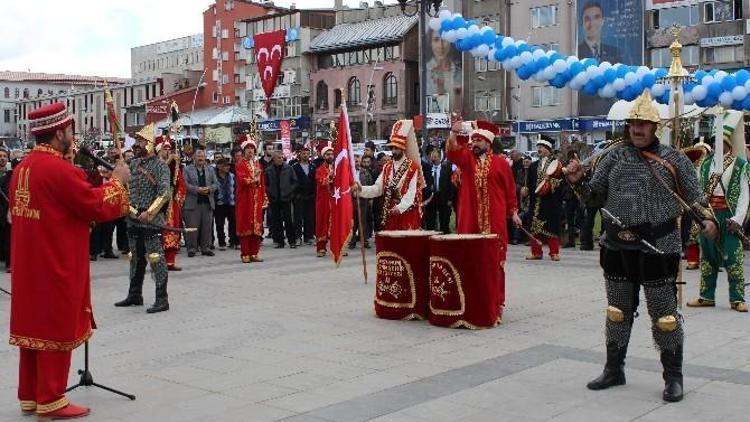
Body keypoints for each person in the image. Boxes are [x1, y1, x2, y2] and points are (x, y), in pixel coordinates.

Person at [565, 91, 718, 402]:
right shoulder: (612, 156)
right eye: (633, 123)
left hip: (658, 245)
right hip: (617, 246)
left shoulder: (673, 159)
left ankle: (673, 376)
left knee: (664, 315)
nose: (637, 129)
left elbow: (695, 198)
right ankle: (614, 368)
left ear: (654, 127)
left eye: (643, 124)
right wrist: (579, 181)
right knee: (617, 311)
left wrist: (707, 220)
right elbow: (593, 198)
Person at [10, 102, 130, 419]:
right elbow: (94, 205)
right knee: (54, 326)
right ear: (60, 131)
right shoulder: (58, 170)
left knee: (33, 328)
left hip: (29, 265)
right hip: (54, 262)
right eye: (70, 130)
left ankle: (31, 395)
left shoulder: (23, 167)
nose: (72, 137)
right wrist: (117, 181)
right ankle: (51, 398)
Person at [688, 112, 749, 312]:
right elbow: (697, 190)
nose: (717, 145)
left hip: (729, 214)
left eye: (721, 140)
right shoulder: (705, 164)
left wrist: (738, 219)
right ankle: (706, 295)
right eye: (716, 140)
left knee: (733, 257)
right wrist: (701, 214)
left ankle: (737, 298)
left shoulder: (741, 165)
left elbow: (744, 195)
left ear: (729, 142)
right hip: (709, 213)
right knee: (708, 256)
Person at [446, 118, 521, 266]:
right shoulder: (467, 159)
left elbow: (510, 190)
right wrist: (454, 132)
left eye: (478, 141)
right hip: (470, 216)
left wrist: (514, 212)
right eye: (473, 141)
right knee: (470, 258)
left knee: (494, 259)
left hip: (495, 216)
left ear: (488, 143)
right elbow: (452, 152)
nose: (474, 144)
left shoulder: (501, 164)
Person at [115, 123, 172, 314]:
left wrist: (151, 212)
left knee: (156, 258)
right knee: (135, 258)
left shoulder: (161, 166)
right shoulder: (134, 164)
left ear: (148, 143)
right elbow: (125, 187)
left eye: (140, 141)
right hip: (133, 218)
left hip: (151, 220)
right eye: (136, 140)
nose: (136, 144)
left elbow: (165, 193)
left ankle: (162, 299)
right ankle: (134, 294)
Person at [354, 120, 423, 230]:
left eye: (396, 148)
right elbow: (377, 188)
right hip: (390, 212)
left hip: (406, 213)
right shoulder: (387, 167)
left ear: (403, 149)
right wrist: (360, 190)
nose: (393, 151)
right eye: (392, 148)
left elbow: (411, 193)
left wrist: (400, 208)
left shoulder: (412, 167)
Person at [526, 135, 564, 261]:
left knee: (551, 226)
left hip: (550, 201)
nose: (539, 149)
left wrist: (549, 185)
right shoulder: (533, 166)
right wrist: (525, 190)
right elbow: (530, 183)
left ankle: (554, 252)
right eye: (538, 147)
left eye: (541, 147)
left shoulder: (556, 164)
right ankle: (536, 252)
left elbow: (560, 183)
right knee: (534, 227)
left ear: (548, 149)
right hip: (536, 201)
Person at [156, 137, 186, 270]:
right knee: (158, 232)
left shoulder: (175, 165)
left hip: (171, 202)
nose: (167, 151)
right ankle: (157, 262)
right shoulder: (154, 164)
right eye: (164, 148)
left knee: (172, 230)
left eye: (169, 148)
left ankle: (170, 261)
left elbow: (180, 182)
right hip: (158, 203)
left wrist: (178, 196)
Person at [235, 137, 266, 263]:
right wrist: (255, 178)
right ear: (244, 151)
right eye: (248, 149)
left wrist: (264, 197)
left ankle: (254, 252)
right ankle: (245, 253)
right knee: (245, 225)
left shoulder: (258, 164)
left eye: (252, 149)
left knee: (257, 226)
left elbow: (262, 183)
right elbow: (243, 180)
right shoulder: (240, 164)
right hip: (245, 199)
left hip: (257, 199)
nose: (250, 151)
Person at [183, 147, 218, 257]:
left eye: (202, 156)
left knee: (206, 227)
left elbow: (216, 184)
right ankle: (192, 248)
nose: (200, 158)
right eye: (198, 156)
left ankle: (205, 248)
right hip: (193, 203)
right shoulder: (187, 169)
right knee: (192, 227)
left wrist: (209, 189)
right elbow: (185, 184)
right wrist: (197, 189)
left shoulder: (210, 169)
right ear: (194, 157)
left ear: (205, 157)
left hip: (207, 202)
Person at [265, 150, 298, 248]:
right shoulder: (268, 170)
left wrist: (289, 192)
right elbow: (265, 184)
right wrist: (270, 192)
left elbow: (295, 182)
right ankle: (279, 241)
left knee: (288, 220)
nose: (281, 159)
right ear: (274, 159)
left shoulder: (288, 168)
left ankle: (292, 241)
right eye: (278, 158)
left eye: (281, 158)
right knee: (276, 221)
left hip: (286, 198)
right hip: (274, 199)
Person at [423, 147, 454, 233]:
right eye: (432, 156)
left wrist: (450, 199)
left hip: (443, 197)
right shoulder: (428, 169)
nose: (433, 158)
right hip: (431, 198)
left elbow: (451, 185)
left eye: (435, 157)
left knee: (444, 221)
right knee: (430, 221)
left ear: (440, 158)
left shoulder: (447, 169)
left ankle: (445, 238)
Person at [292, 146, 316, 246]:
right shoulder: (295, 167)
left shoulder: (313, 166)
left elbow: (315, 181)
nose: (305, 155)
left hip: (310, 196)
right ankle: (297, 237)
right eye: (303, 153)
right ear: (300, 154)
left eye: (307, 153)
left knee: (309, 217)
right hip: (299, 196)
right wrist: (295, 194)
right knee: (298, 217)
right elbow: (292, 181)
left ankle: (308, 236)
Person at [350, 154, 374, 249]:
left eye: (358, 161)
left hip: (363, 199)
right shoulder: (348, 172)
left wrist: (370, 198)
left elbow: (370, 185)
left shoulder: (365, 172)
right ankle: (352, 241)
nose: (357, 163)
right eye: (355, 161)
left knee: (363, 221)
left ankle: (364, 241)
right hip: (351, 200)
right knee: (353, 222)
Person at [314, 145, 334, 257]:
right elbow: (321, 181)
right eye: (328, 154)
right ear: (323, 156)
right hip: (323, 201)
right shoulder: (319, 169)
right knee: (322, 223)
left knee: (335, 223)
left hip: (334, 200)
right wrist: (329, 177)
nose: (330, 156)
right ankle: (321, 248)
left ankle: (336, 247)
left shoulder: (336, 168)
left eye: (331, 154)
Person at [214, 158, 237, 251]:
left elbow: (235, 188)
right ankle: (222, 242)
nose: (227, 167)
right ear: (219, 166)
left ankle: (233, 241)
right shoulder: (214, 177)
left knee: (233, 222)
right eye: (224, 165)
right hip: (219, 204)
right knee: (219, 224)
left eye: (228, 165)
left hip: (231, 203)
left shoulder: (232, 176)